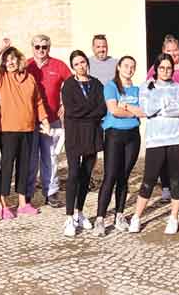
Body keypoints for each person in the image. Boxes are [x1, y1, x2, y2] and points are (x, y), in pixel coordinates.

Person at [0, 40, 50, 218]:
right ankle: (3, 205)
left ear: (19, 59)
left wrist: (44, 120)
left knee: (25, 167)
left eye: (13, 59)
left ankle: (23, 203)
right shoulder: (1, 77)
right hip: (8, 130)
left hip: (28, 129)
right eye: (6, 60)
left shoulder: (30, 78)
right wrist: (1, 49)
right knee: (7, 167)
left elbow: (38, 102)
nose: (10, 63)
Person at [129, 54, 179, 235]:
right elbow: (148, 110)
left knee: (175, 178)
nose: (165, 71)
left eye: (169, 68)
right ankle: (137, 216)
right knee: (149, 178)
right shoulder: (146, 86)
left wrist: (160, 106)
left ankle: (173, 217)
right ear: (156, 69)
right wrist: (166, 105)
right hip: (156, 139)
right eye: (162, 68)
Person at [95, 55, 145, 235]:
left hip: (133, 136)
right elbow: (114, 110)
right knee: (110, 176)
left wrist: (128, 109)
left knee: (124, 176)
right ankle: (100, 218)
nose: (129, 69)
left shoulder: (137, 89)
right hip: (114, 135)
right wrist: (131, 112)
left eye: (132, 66)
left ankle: (120, 214)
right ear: (118, 67)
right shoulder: (111, 86)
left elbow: (143, 112)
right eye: (126, 66)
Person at [60, 50, 106, 237]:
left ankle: (80, 211)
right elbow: (71, 109)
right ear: (73, 67)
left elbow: (102, 108)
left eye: (83, 62)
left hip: (93, 134)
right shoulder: (68, 85)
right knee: (73, 175)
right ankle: (69, 216)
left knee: (86, 175)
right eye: (77, 63)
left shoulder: (96, 84)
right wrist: (91, 111)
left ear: (88, 63)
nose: (81, 66)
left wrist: (89, 112)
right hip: (75, 134)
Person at [26, 34, 71, 207]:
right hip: (30, 120)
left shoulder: (59, 65)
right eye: (37, 47)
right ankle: (28, 193)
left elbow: (71, 85)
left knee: (50, 157)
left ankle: (51, 192)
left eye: (44, 47)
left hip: (51, 120)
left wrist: (65, 104)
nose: (41, 50)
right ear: (33, 48)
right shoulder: (27, 65)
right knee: (30, 159)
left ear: (49, 48)